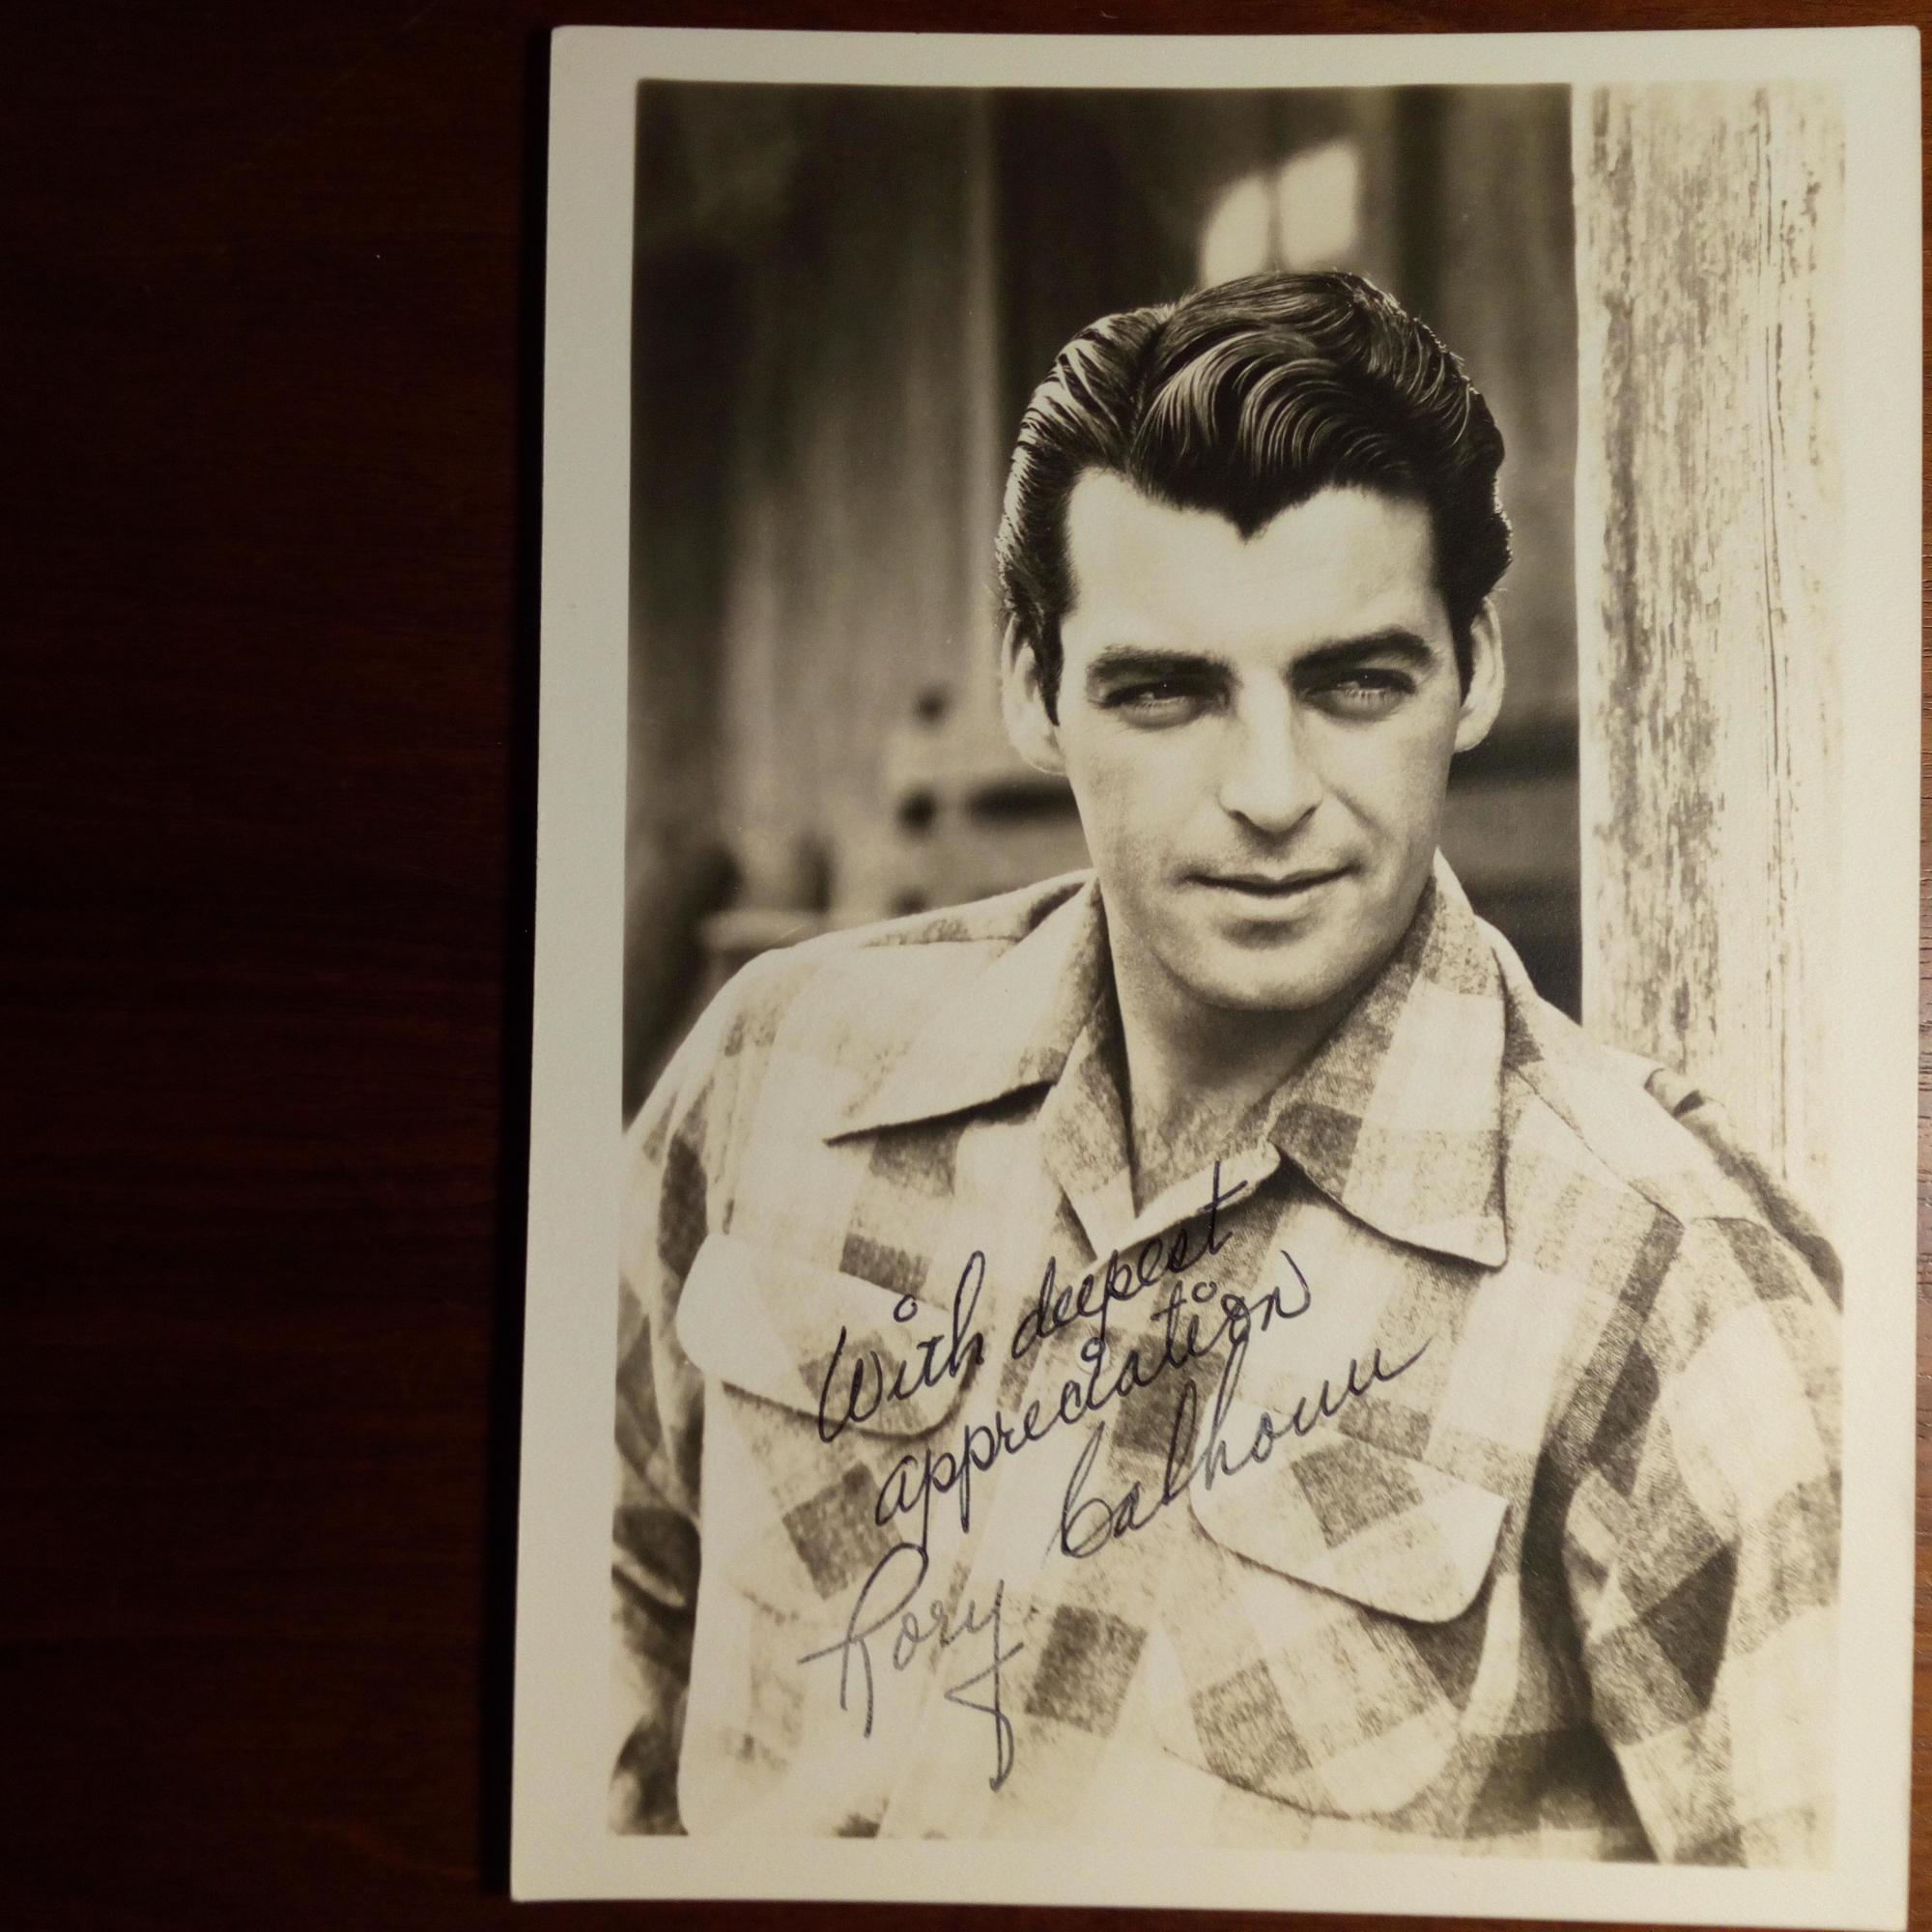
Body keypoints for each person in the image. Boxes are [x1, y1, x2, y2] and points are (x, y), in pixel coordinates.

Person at [611, 270, 1840, 1862]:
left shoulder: (1667, 1288)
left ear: (1475, 668)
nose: (1269, 791)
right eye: (1167, 692)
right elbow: (593, 1623)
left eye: (1354, 684)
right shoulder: (778, 1070)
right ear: (1033, 687)